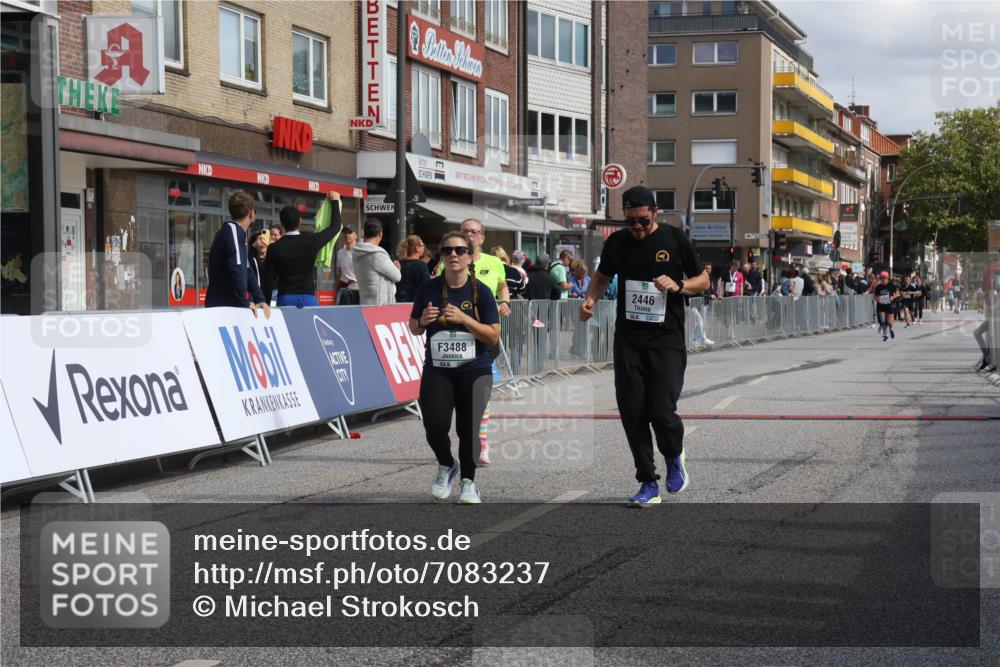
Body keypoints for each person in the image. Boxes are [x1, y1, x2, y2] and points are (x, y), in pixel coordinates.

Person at [579, 186, 709, 507]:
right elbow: (602, 275)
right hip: (629, 338)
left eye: (643, 220)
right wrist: (590, 300)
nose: (636, 227)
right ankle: (648, 481)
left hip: (666, 339)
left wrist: (678, 285)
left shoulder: (674, 239)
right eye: (630, 222)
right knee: (632, 412)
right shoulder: (617, 243)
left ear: (655, 213)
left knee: (661, 411)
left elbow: (703, 282)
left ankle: (674, 455)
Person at [409, 231, 500, 504]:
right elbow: (413, 327)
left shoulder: (480, 292)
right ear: (441, 257)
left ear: (470, 256)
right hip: (439, 369)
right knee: (434, 425)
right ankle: (447, 464)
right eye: (447, 251)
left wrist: (464, 318)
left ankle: (469, 483)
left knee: (468, 428)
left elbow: (493, 335)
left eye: (460, 250)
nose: (453, 255)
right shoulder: (428, 288)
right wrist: (423, 321)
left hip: (475, 369)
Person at [263, 191, 342, 308]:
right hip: (308, 298)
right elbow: (335, 227)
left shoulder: (274, 248)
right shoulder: (311, 240)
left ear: (281, 223)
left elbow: (268, 281)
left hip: (285, 298)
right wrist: (335, 201)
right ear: (300, 221)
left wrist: (266, 305)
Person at [205, 190, 270, 317]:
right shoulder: (233, 231)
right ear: (251, 213)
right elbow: (237, 268)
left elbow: (246, 269)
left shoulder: (234, 232)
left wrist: (259, 298)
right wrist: (244, 302)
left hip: (224, 305)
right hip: (223, 307)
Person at [353, 218, 401, 306]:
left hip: (365, 302)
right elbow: (397, 277)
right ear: (380, 234)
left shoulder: (357, 251)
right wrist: (397, 268)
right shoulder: (377, 254)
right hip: (380, 305)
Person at [396, 235, 431, 303]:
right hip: (415, 305)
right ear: (417, 248)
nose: (424, 248)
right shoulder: (421, 265)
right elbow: (427, 287)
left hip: (399, 303)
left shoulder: (399, 264)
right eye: (422, 245)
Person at [873, 270, 899, 342]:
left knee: (890, 322)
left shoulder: (891, 285)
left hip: (889, 305)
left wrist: (892, 297)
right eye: (882, 278)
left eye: (884, 278)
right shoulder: (878, 287)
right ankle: (885, 334)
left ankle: (891, 329)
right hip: (881, 305)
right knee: (883, 320)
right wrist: (876, 299)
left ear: (887, 278)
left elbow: (897, 293)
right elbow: (874, 296)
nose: (883, 280)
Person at [336, 226, 360, 305]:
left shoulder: (360, 252)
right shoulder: (340, 252)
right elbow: (339, 272)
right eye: (345, 233)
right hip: (343, 287)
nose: (347, 235)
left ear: (355, 236)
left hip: (357, 288)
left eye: (350, 233)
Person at [248, 229, 273, 303]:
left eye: (264, 240)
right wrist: (253, 245)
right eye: (260, 240)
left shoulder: (272, 258)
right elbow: (247, 259)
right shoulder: (252, 259)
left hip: (271, 296)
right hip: (255, 297)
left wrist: (273, 245)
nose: (262, 244)